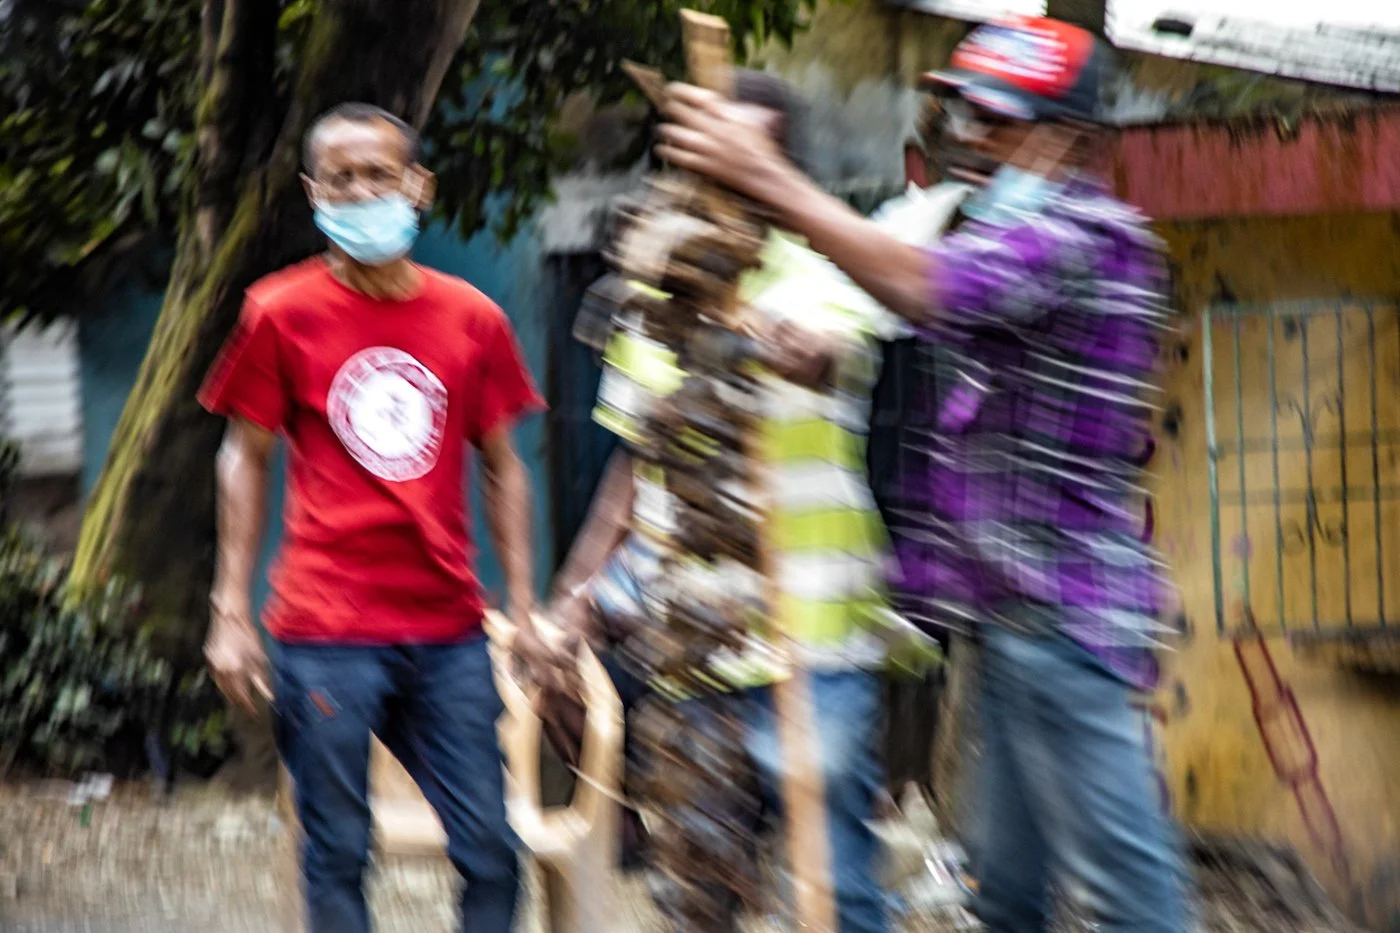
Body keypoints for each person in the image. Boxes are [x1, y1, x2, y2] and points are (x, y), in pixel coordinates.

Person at [654, 17, 1189, 933]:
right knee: (1004, 892)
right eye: (965, 116)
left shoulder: (1089, 238)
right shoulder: (992, 229)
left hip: (1065, 621)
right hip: (1008, 618)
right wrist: (811, 336)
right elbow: (891, 286)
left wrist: (767, 179)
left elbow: (926, 287)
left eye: (1000, 123)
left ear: (1075, 142)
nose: (974, 142)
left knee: (1130, 896)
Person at [549, 70, 922, 933]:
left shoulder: (825, 269)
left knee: (832, 883)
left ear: (778, 164)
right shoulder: (654, 298)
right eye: (707, 159)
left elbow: (827, 353)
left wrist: (785, 346)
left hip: (814, 639)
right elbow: (634, 465)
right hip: (696, 635)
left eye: (743, 158)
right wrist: (573, 592)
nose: (720, 178)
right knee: (697, 880)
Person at [198, 102, 545, 933]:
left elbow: (504, 465)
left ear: (418, 186)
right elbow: (243, 454)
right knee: (338, 849)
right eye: (342, 178)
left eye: (380, 174)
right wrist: (229, 610)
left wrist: (525, 609)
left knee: (493, 849)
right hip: (325, 629)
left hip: (449, 628)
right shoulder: (278, 310)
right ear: (315, 193)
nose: (361, 193)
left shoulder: (474, 319)